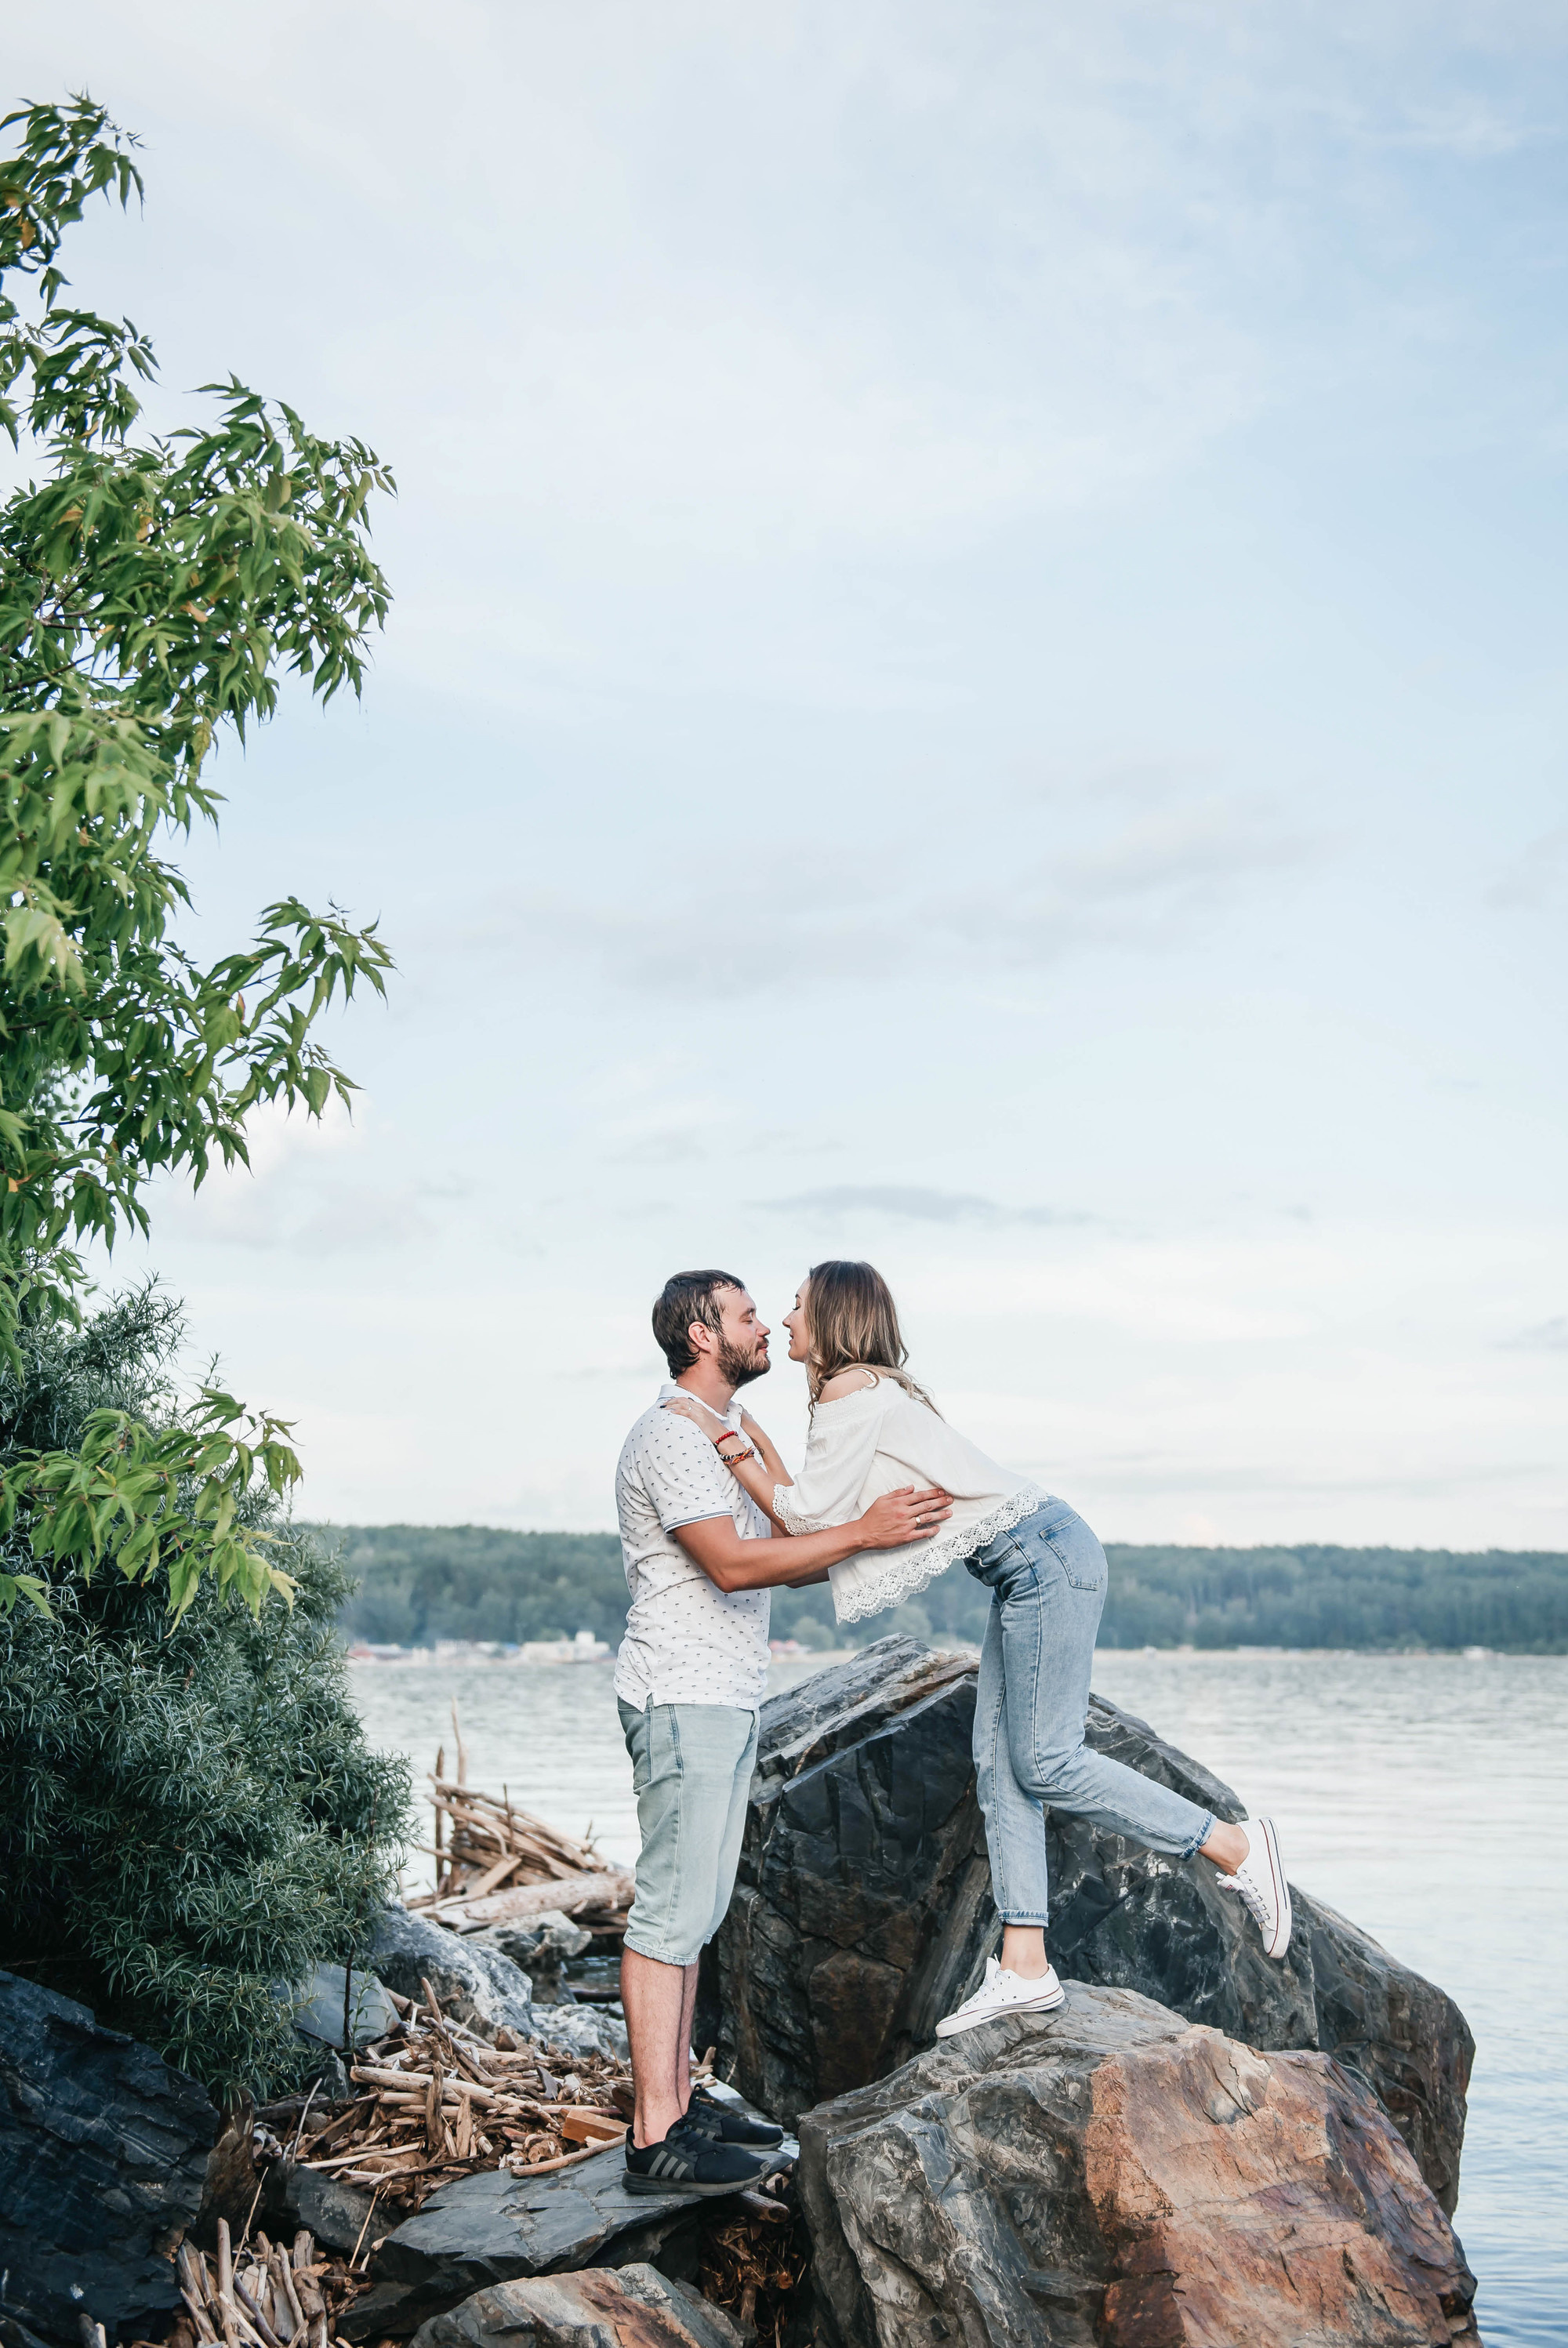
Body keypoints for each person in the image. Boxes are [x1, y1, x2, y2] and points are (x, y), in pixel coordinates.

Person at [662, 1257, 1291, 2040]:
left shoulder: (847, 1387)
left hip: (1043, 1561)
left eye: (793, 1307)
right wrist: (748, 1433)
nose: (784, 1321)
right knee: (1000, 1764)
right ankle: (1023, 1966)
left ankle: (1232, 1845)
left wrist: (727, 1444)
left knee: (1046, 1760)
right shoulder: (858, 1392)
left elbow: (797, 1517)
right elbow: (812, 1516)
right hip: (1032, 1565)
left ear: (830, 1318)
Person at [614, 1267, 954, 2191]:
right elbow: (730, 1565)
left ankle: (678, 2104)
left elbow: (785, 1552)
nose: (764, 1324)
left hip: (720, 1696)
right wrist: (862, 1533)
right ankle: (654, 2139)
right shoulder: (670, 1436)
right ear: (699, 1333)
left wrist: (871, 1530)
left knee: (699, 1910)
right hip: (680, 1694)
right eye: (746, 1314)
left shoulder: (723, 1433)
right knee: (669, 1912)